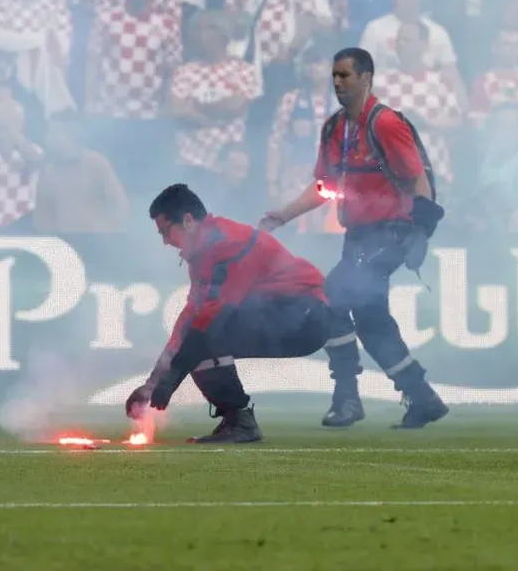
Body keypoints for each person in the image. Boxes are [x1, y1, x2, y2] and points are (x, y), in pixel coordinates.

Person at [260, 47, 449, 429]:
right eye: (334, 75)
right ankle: (422, 396)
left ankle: (346, 398)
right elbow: (326, 186)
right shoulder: (334, 128)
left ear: (366, 78)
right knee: (370, 317)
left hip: (392, 232)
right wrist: (284, 214)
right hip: (359, 234)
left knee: (331, 297)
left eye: (345, 75)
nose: (337, 82)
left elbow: (418, 179)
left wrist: (421, 232)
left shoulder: (385, 123)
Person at [125, 183, 356, 444]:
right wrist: (154, 383)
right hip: (292, 313)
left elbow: (209, 320)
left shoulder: (228, 245)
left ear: (188, 221)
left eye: (165, 231)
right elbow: (191, 318)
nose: (165, 241)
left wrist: (171, 379)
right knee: (198, 336)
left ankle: (240, 422)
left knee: (205, 336)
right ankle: (237, 420)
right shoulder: (205, 251)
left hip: (304, 316)